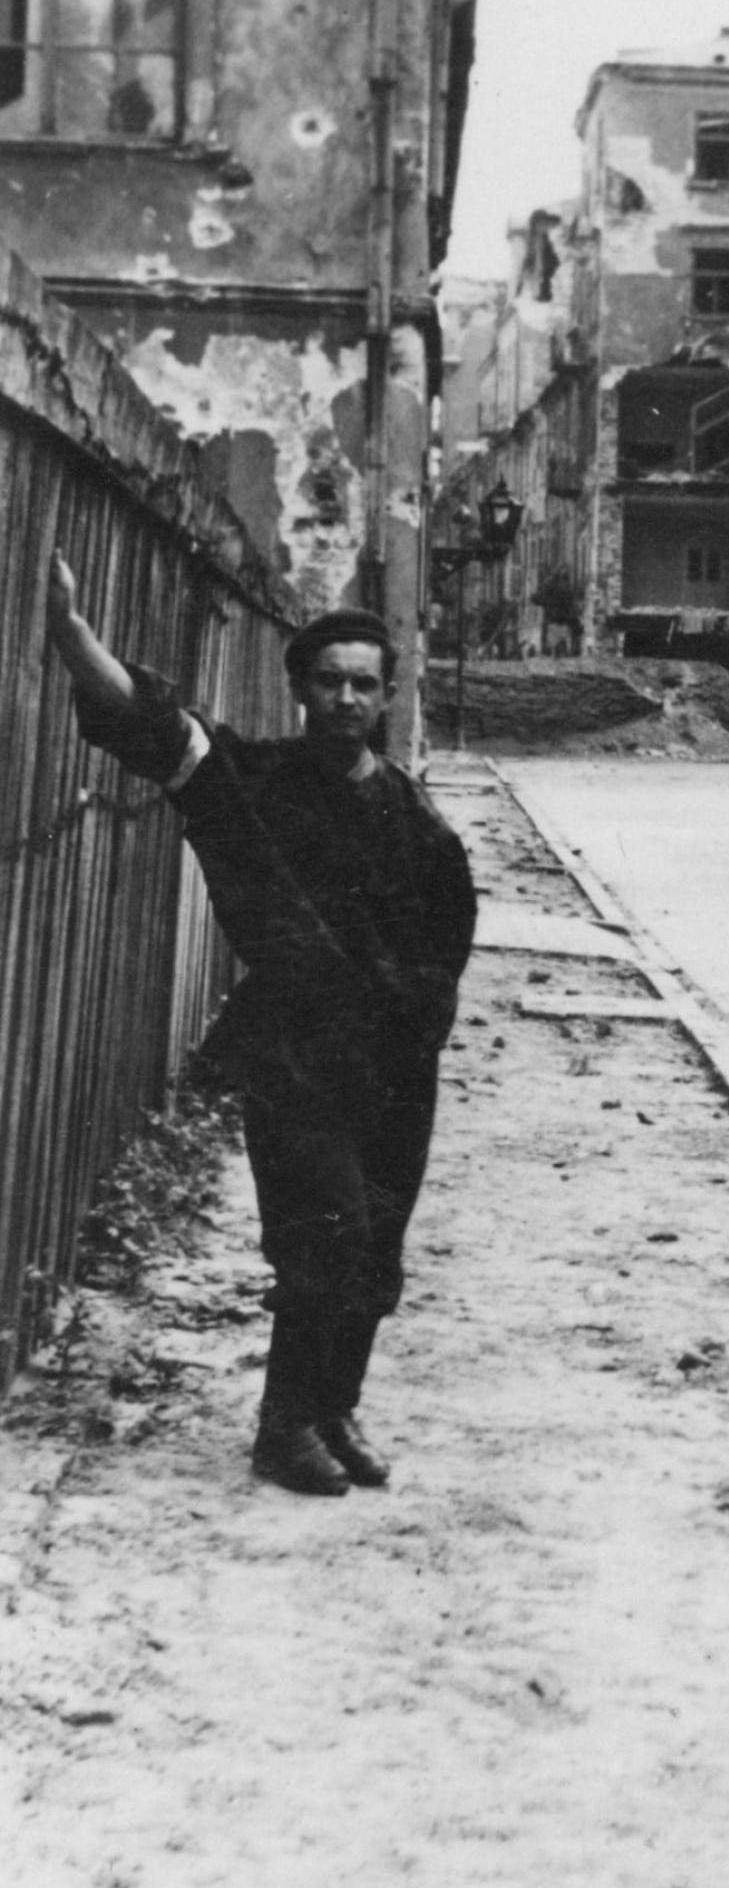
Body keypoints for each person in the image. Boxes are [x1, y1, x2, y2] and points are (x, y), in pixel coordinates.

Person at [45, 553, 477, 1497]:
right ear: (299, 692)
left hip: (398, 1061)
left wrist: (421, 1013)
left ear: (390, 696)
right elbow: (162, 732)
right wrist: (77, 640)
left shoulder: (414, 814)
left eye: (365, 684)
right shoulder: (257, 782)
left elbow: (450, 930)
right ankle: (282, 1430)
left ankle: (334, 1408)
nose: (347, 700)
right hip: (295, 1051)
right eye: (329, 682)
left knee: (376, 1246)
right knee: (322, 1237)